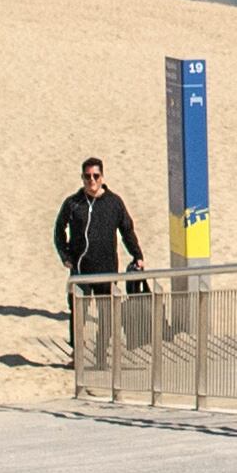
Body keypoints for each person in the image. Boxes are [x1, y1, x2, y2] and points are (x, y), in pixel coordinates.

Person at [56, 155, 145, 363]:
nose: (91, 181)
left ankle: (101, 354)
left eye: (95, 176)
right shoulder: (73, 203)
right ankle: (77, 354)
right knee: (78, 313)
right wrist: (65, 255)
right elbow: (58, 230)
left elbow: (127, 230)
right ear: (82, 178)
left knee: (106, 315)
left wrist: (137, 255)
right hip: (81, 270)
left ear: (102, 177)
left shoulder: (114, 203)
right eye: (87, 177)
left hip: (106, 270)